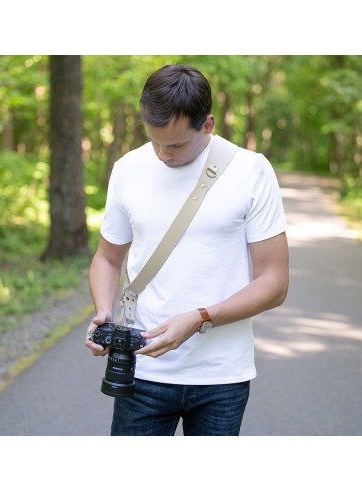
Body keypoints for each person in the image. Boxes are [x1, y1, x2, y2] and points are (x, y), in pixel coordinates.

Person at [85, 64, 289, 436]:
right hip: (141, 372)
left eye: (176, 144)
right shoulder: (128, 168)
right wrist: (103, 312)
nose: (162, 154)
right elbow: (107, 257)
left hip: (222, 377)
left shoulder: (251, 171)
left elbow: (274, 282)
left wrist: (200, 317)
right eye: (154, 140)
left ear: (207, 125)